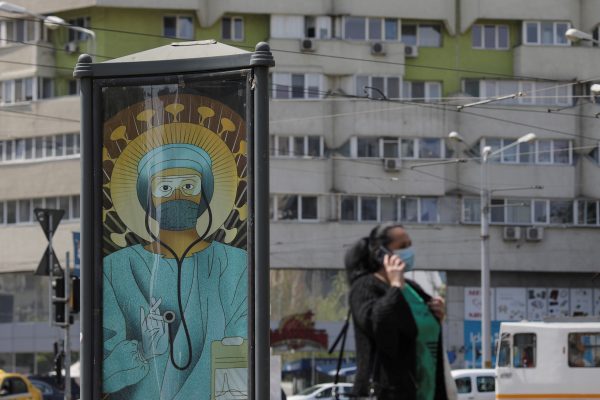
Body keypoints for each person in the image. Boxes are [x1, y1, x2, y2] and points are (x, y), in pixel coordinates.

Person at [102, 144, 248, 400]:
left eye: (189, 186)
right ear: (148, 197)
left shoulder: (235, 263)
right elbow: (102, 374)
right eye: (165, 188)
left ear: (205, 193)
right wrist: (143, 351)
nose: (177, 196)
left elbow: (244, 348)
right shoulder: (117, 268)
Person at [345, 223, 454, 400]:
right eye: (402, 247)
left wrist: (436, 315)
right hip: (387, 393)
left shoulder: (413, 289)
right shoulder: (365, 287)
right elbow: (377, 325)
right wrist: (395, 286)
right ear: (381, 252)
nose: (409, 251)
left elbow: (422, 336)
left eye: (410, 245)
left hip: (427, 391)